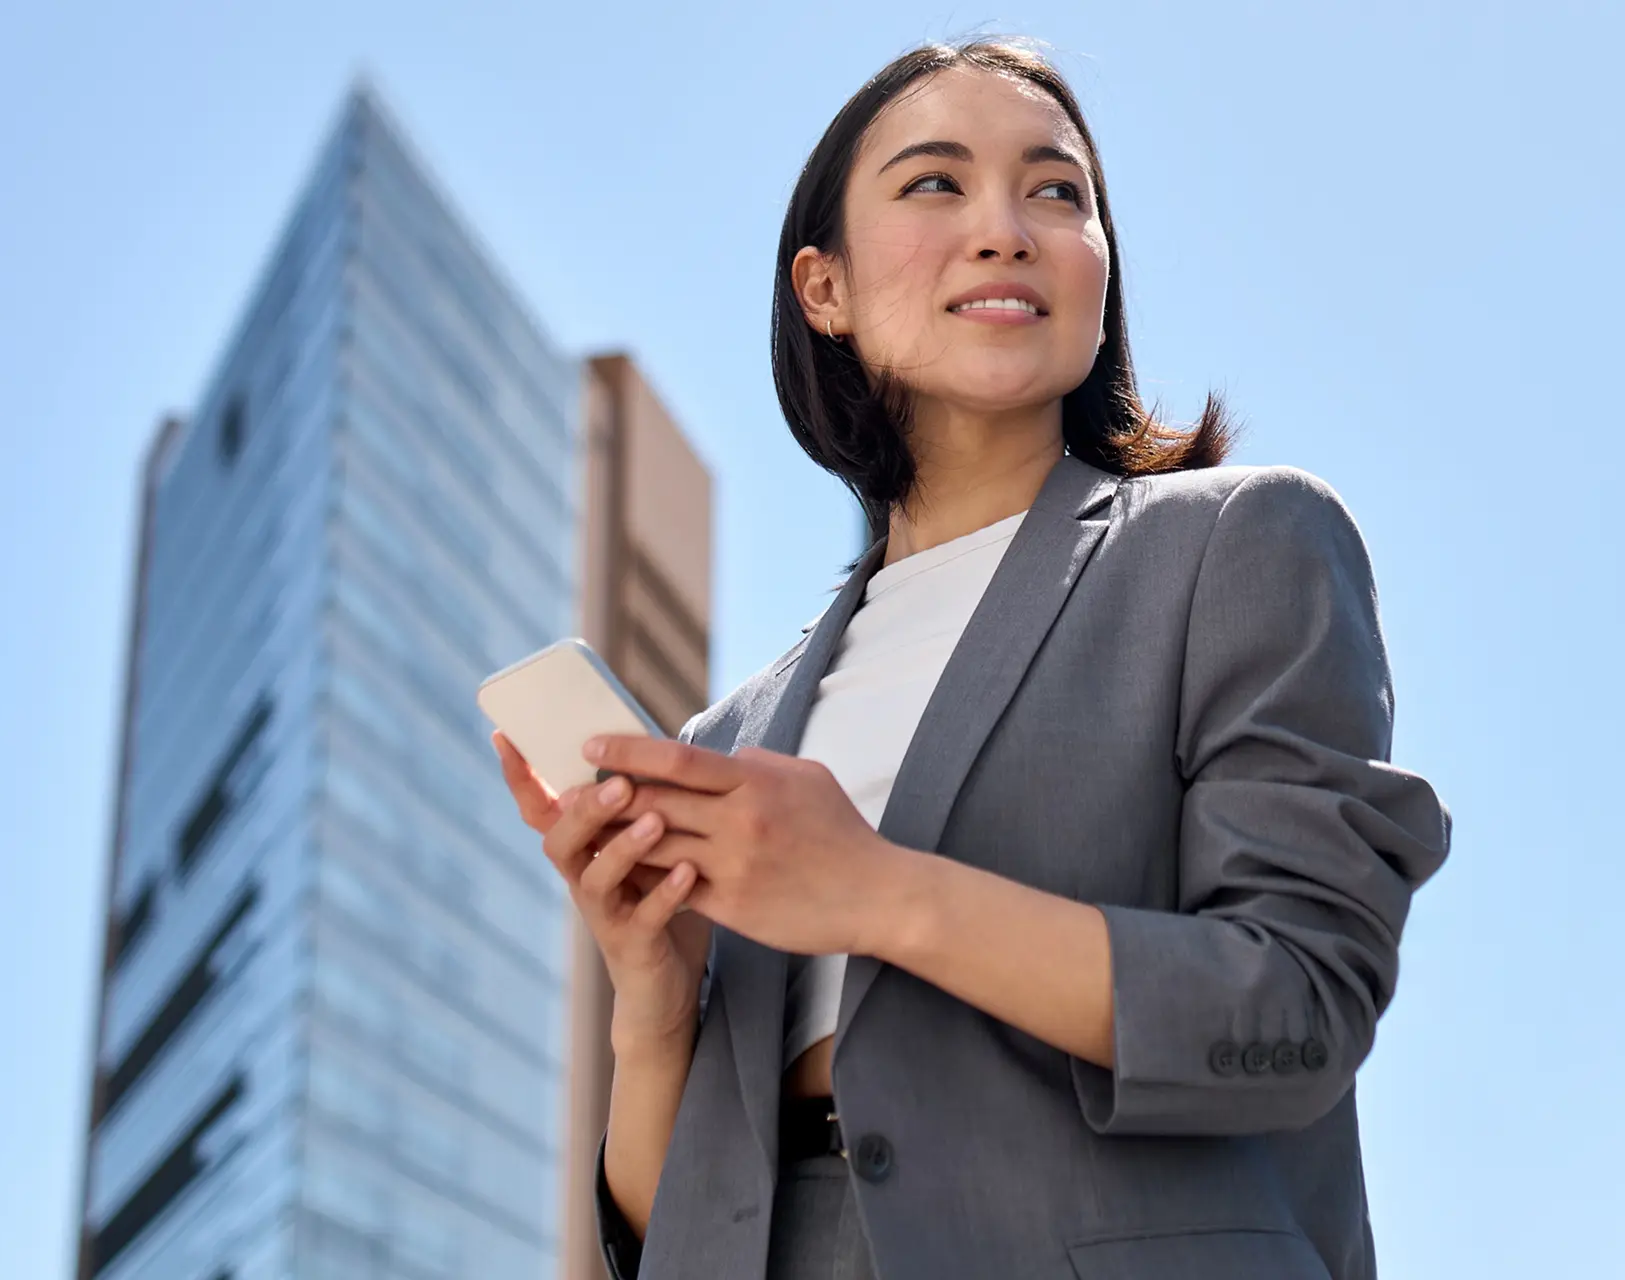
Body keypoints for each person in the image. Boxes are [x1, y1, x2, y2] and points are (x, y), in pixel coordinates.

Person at [491, 36, 1451, 1280]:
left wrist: (874, 889)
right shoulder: (728, 737)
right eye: (936, 183)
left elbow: (1294, 1009)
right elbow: (670, 1228)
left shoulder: (1237, 544)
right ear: (821, 287)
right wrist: (659, 1002)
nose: (1006, 228)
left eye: (1059, 192)